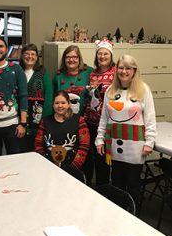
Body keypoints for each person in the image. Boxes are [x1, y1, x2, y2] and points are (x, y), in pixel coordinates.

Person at [95, 54, 156, 209]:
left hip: (135, 147)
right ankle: (119, 213)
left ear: (134, 71)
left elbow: (150, 118)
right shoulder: (110, 90)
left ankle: (134, 215)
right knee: (116, 183)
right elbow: (104, 118)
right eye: (121, 68)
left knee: (133, 184)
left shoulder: (143, 90)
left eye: (128, 68)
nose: (124, 71)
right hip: (114, 145)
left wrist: (149, 142)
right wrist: (99, 139)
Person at [35, 90, 90, 180]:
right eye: (57, 103)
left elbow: (84, 147)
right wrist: (46, 164)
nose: (60, 106)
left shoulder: (79, 120)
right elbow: (38, 145)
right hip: (49, 170)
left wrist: (72, 168)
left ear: (68, 104)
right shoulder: (45, 121)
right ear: (53, 105)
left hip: (73, 171)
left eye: (63, 103)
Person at [84, 39, 116, 186]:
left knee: (103, 158)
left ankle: (104, 188)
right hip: (91, 120)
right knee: (92, 156)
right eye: (99, 54)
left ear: (111, 55)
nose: (102, 57)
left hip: (107, 123)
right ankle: (93, 185)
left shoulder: (116, 72)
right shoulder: (93, 74)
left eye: (105, 54)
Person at [19, 43, 53, 152]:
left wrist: (45, 120)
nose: (30, 56)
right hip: (19, 120)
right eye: (27, 54)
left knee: (37, 150)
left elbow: (49, 96)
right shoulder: (17, 71)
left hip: (38, 119)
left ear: (37, 57)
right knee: (21, 151)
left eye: (33, 54)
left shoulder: (42, 72)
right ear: (22, 56)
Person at [53, 45, 93, 116]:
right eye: (68, 57)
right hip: (63, 118)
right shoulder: (58, 76)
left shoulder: (89, 72)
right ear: (64, 59)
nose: (71, 60)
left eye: (74, 57)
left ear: (79, 59)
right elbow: (52, 99)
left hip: (85, 118)